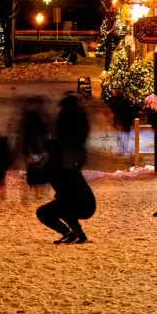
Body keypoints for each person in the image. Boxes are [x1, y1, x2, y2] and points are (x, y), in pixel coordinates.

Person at [36, 95, 95, 244]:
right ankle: (77, 233)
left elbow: (36, 176)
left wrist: (35, 162)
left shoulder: (55, 167)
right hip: (88, 203)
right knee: (64, 204)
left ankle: (68, 232)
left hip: (79, 203)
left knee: (46, 211)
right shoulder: (66, 166)